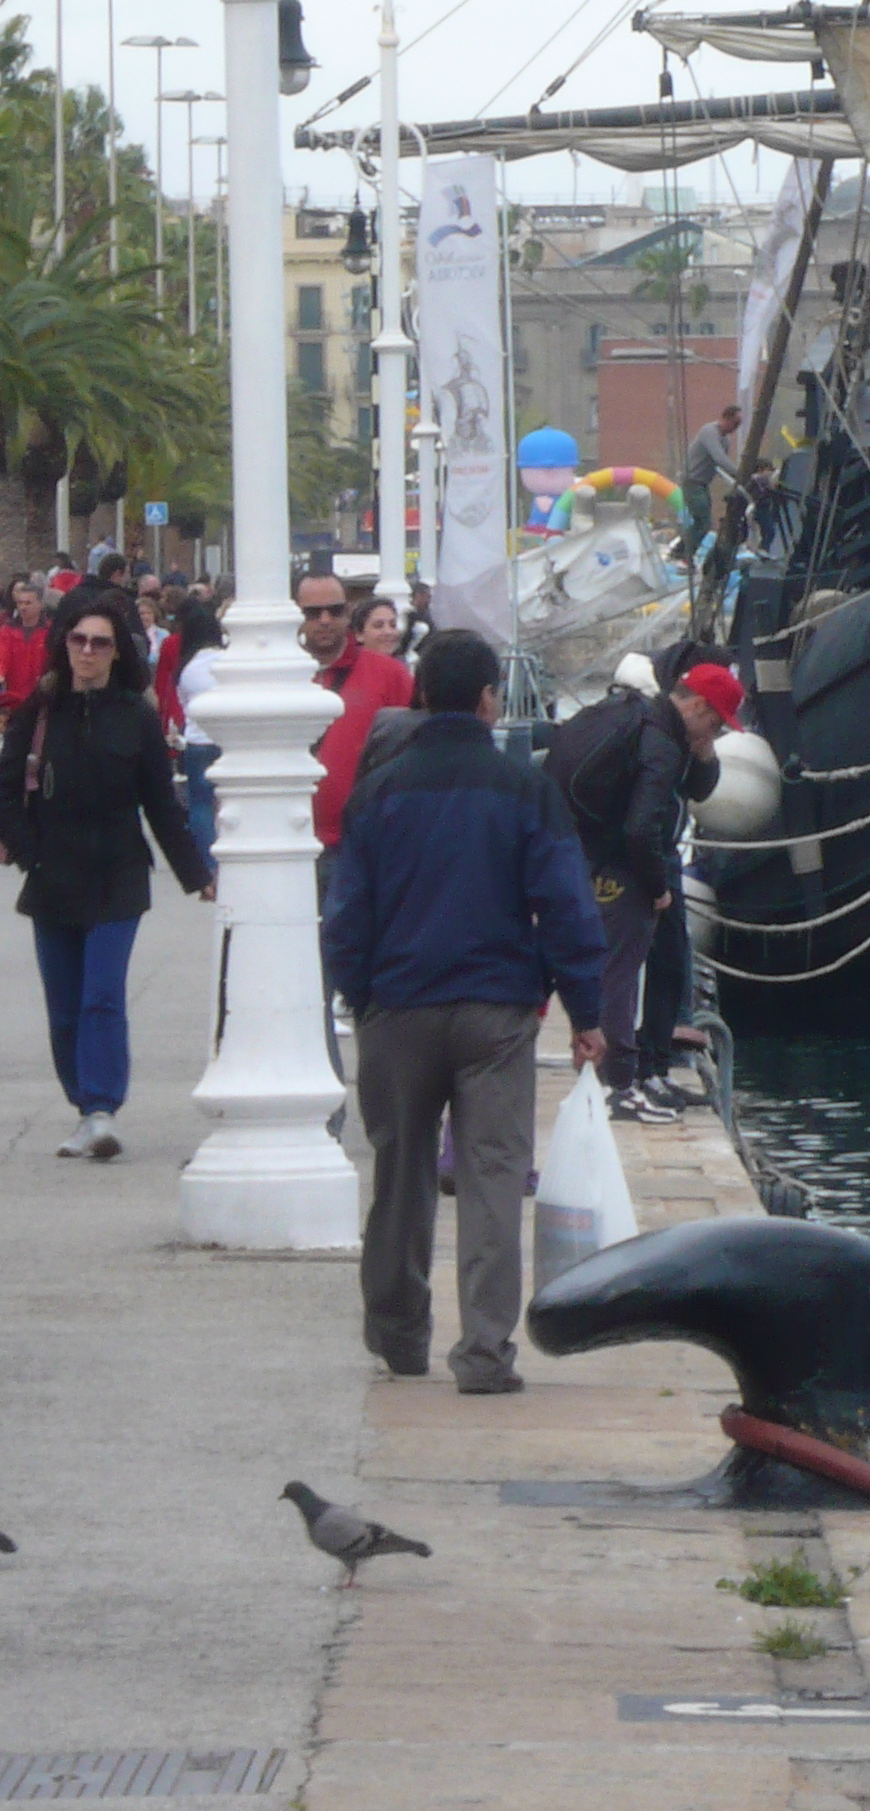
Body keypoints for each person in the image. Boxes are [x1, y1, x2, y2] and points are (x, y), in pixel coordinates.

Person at [325, 623, 607, 1393]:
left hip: (398, 1007)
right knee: (491, 1179)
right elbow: (567, 907)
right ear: (489, 700)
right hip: (496, 1010)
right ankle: (483, 1352)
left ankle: (399, 1335)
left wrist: (361, 995)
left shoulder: (377, 791)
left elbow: (346, 914)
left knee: (400, 1176)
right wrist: (585, 1010)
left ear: (420, 695)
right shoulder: (525, 789)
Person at [0, 583, 214, 1159]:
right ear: (64, 644)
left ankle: (101, 1109)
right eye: (79, 640)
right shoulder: (38, 714)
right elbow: (5, 790)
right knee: (64, 1008)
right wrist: (26, 850)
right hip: (52, 875)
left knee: (101, 995)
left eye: (101, 642)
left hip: (119, 874)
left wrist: (197, 872)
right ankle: (82, 1105)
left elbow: (161, 804)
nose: (88, 652)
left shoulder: (136, 718)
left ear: (118, 651)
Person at [544, 658, 733, 1122]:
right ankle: (620, 1084)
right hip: (628, 867)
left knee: (646, 964)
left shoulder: (656, 726)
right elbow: (641, 827)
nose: (717, 732)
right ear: (698, 706)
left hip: (602, 854)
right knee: (622, 972)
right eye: (716, 723)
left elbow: (696, 790)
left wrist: (704, 751)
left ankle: (636, 1072)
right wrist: (657, 886)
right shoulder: (662, 743)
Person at [301, 574, 416, 856]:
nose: (325, 620)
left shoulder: (390, 674)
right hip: (293, 835)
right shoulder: (276, 676)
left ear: (348, 612)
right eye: (313, 613)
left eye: (335, 610)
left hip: (369, 840)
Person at [171, 593, 227, 877]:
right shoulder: (229, 662)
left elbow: (184, 705)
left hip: (198, 740)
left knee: (200, 805)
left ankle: (208, 862)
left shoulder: (187, 669)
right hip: (227, 740)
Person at [0, 573, 46, 715]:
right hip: (14, 702)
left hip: (42, 702)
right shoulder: (7, 630)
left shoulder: (50, 632)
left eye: (28, 603)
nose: (23, 607)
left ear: (40, 604)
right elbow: (2, 657)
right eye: (20, 603)